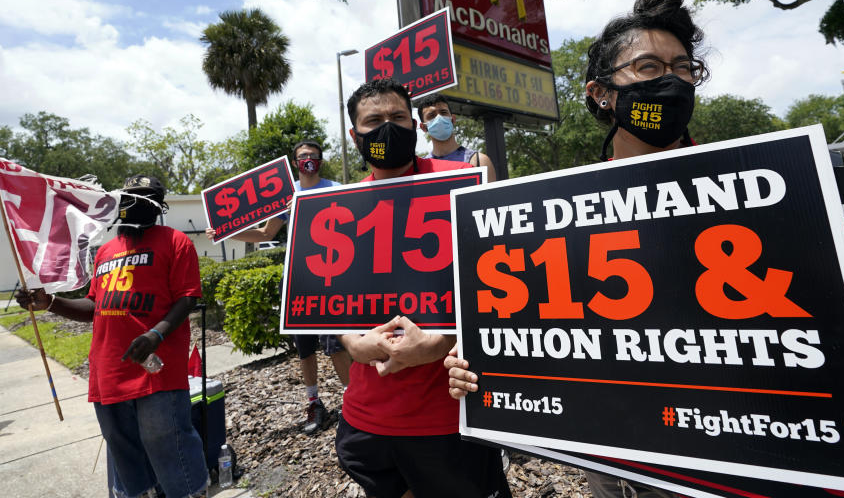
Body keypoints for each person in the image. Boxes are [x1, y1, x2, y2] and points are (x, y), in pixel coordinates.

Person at [445, 0, 844, 497]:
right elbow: (537, 336)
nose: (672, 82)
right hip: (612, 468)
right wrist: (482, 370)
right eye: (649, 69)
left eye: (683, 69)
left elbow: (840, 324)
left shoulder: (775, 192)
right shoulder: (554, 218)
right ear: (601, 94)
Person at [335, 78, 511, 498]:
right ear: (353, 135)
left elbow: (501, 285)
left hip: (449, 417)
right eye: (373, 121)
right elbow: (328, 301)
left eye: (397, 118)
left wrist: (440, 343)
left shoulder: (462, 183)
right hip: (366, 420)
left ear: (415, 125)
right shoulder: (339, 208)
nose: (387, 128)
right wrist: (350, 342)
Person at [17, 175, 208, 498]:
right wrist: (48, 302)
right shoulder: (105, 251)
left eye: (146, 198)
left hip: (156, 368)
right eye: (130, 197)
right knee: (123, 450)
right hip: (109, 370)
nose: (136, 204)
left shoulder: (176, 241)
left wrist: (155, 334)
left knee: (168, 443)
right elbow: (94, 304)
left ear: (158, 206)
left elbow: (187, 297)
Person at [205, 140, 351, 433]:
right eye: (302, 156)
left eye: (312, 155)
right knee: (305, 347)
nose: (307, 159)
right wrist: (226, 233)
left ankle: (353, 402)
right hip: (298, 276)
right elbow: (264, 233)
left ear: (320, 160)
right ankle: (314, 403)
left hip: (332, 275)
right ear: (295, 162)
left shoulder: (336, 189)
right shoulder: (287, 194)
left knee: (336, 343)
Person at [416, 93, 497, 181]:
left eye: (443, 112)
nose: (439, 118)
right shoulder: (420, 168)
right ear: (423, 127)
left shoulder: (479, 162)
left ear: (453, 119)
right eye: (431, 115)